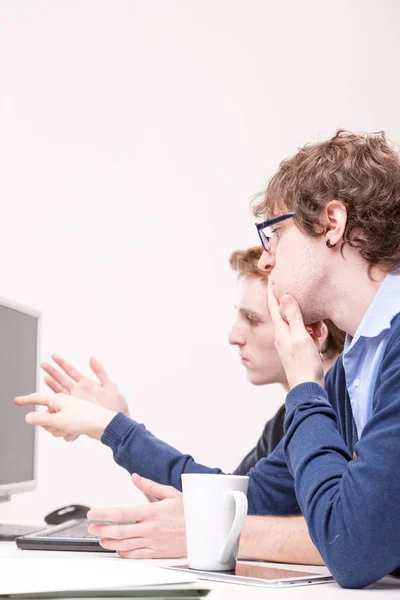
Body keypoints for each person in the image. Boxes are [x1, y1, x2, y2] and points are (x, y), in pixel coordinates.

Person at [18, 128, 400, 588]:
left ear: (332, 223)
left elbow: (354, 544)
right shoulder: (356, 368)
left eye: (274, 235)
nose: (265, 261)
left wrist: (304, 382)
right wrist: (113, 424)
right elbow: (257, 497)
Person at [15, 246, 344, 564]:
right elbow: (216, 503)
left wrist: (112, 426)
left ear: (313, 332)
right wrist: (117, 421)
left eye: (253, 319)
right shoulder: (286, 420)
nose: (234, 335)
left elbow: (231, 508)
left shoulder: (335, 415)